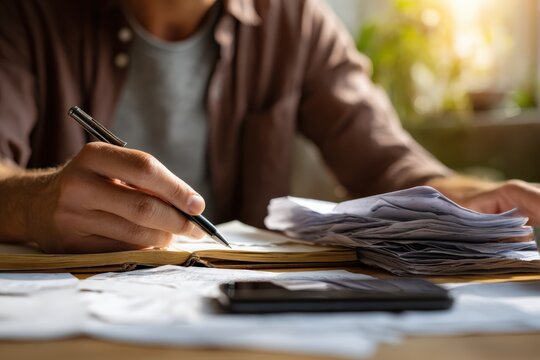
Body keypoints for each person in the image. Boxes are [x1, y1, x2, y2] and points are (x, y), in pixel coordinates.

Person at [0, 0, 538, 254]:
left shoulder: (298, 22)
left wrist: (470, 198)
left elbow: (387, 160)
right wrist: (35, 200)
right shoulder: (27, 17)